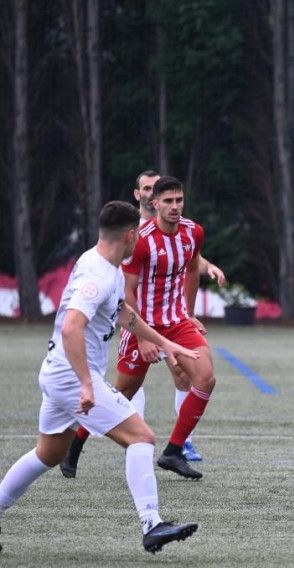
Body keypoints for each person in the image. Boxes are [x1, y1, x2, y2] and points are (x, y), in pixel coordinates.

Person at [0, 201, 198, 554]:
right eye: (139, 233)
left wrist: (166, 343)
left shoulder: (103, 263)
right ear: (130, 235)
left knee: (47, 453)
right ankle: (152, 523)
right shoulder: (98, 275)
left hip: (57, 373)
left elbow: (123, 312)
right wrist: (88, 384)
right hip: (71, 377)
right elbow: (72, 328)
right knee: (142, 437)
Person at [60, 173, 223, 477]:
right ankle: (75, 444)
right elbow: (127, 291)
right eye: (169, 201)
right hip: (141, 326)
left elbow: (190, 270)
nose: (176, 206)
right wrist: (145, 338)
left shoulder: (193, 232)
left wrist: (187, 313)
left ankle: (174, 451)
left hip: (175, 322)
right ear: (154, 203)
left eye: (180, 200)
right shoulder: (142, 239)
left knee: (206, 377)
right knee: (123, 392)